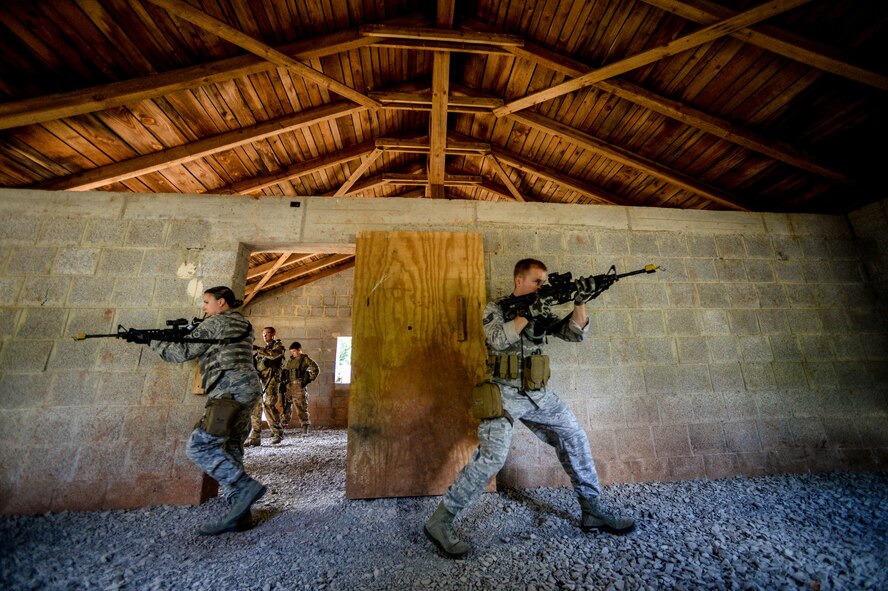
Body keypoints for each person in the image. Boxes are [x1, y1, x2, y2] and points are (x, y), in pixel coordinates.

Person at [423, 258, 636, 559]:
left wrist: (580, 302)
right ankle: (439, 521)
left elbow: (575, 333)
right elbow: (497, 339)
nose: (543, 286)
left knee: (574, 437)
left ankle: (592, 511)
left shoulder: (543, 308)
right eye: (538, 281)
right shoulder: (495, 308)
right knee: (492, 457)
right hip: (503, 393)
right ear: (519, 281)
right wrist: (528, 312)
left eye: (545, 282)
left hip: (539, 394)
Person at [148, 286, 267, 536]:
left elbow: (182, 351)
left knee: (199, 446)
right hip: (246, 388)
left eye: (206, 302)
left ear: (220, 302)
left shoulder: (217, 322)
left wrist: (154, 341)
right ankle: (240, 515)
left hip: (229, 390)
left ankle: (245, 488)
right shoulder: (242, 322)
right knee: (231, 447)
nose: (203, 307)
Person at [245, 327, 286, 446]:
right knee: (256, 406)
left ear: (273, 334)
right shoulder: (263, 350)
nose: (265, 336)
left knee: (268, 404)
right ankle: (255, 437)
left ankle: (278, 433)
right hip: (260, 380)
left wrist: (258, 349)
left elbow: (274, 355)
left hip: (271, 379)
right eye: (263, 334)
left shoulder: (278, 347)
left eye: (267, 334)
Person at [281, 342, 319, 435]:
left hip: (299, 386)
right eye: (291, 351)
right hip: (289, 386)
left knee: (301, 407)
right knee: (286, 407)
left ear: (299, 350)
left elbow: (315, 369)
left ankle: (305, 426)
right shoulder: (290, 361)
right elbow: (285, 371)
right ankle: (282, 426)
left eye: (294, 351)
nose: (292, 353)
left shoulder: (304, 359)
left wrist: (308, 379)